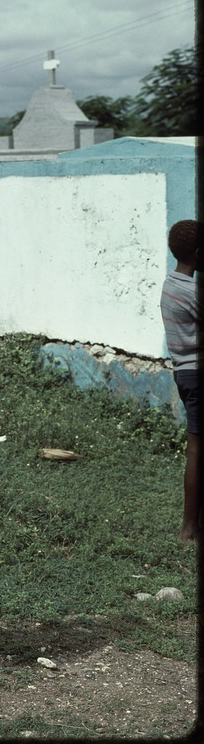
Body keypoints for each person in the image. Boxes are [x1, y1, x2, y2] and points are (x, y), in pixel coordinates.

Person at [160, 219, 203, 543]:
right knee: (197, 451)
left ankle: (192, 526)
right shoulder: (191, 291)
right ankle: (189, 528)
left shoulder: (171, 284)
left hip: (184, 372)